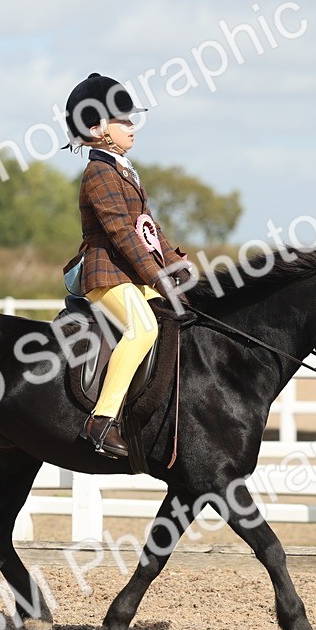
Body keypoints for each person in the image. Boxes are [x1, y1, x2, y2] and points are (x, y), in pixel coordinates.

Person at [61, 72, 192, 459]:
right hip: (107, 275)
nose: (133, 127)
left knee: (181, 316)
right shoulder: (98, 173)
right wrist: (158, 276)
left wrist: (176, 264)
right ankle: (101, 421)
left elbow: (147, 228)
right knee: (142, 328)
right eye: (124, 121)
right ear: (97, 128)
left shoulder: (123, 169)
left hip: (133, 274)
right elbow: (121, 234)